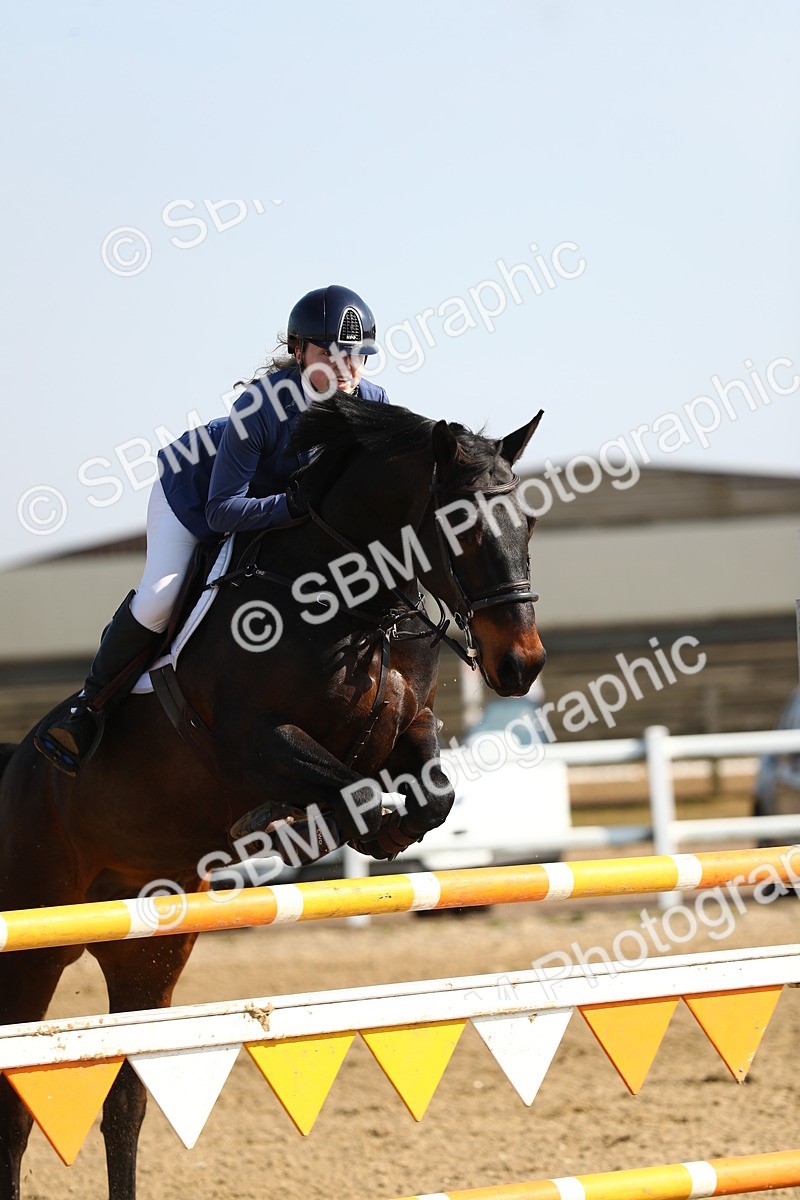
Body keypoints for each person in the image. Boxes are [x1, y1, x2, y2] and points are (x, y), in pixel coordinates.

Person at [35, 285, 389, 776]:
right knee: (162, 594)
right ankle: (87, 708)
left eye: (357, 355)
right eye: (329, 353)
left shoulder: (373, 403)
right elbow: (222, 511)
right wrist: (291, 506)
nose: (346, 369)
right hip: (193, 498)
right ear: (298, 351)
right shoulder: (259, 408)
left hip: (268, 510)